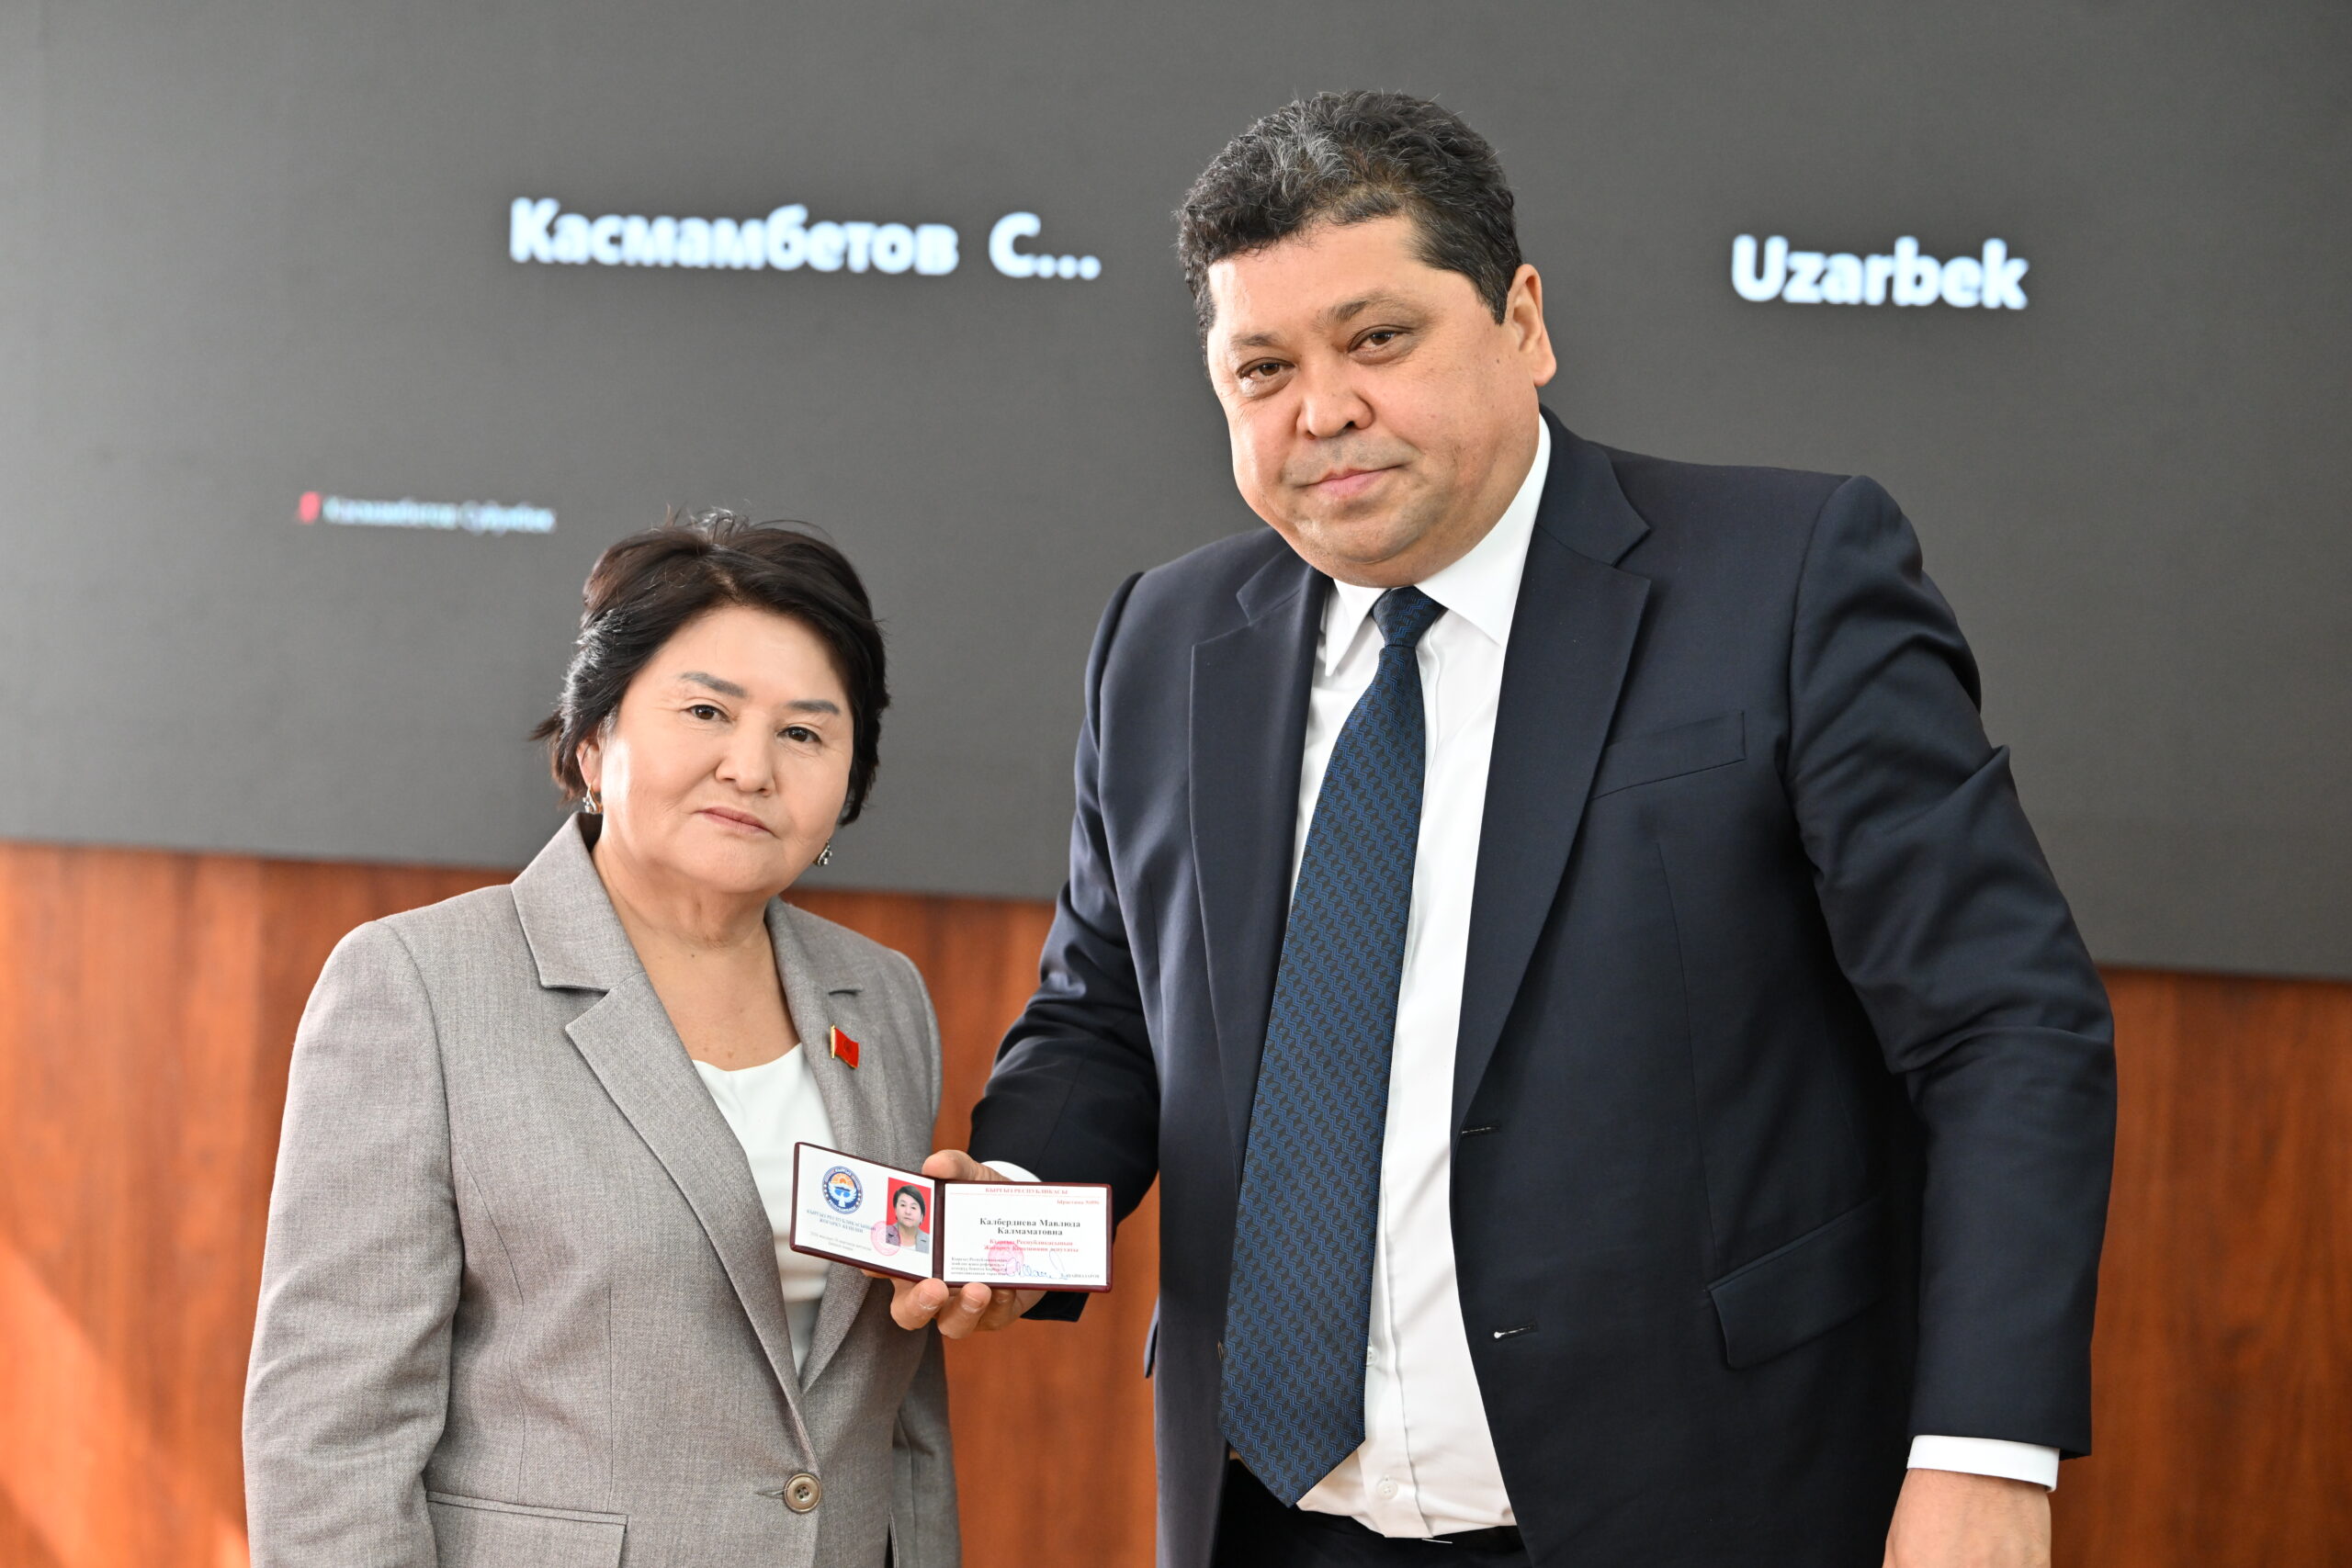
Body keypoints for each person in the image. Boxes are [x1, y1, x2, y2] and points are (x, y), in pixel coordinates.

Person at [896, 92, 2116, 1568]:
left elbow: (2002, 1024)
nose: (1321, 410)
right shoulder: (1162, 639)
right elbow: (1107, 1013)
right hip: (1274, 1517)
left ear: (1522, 321)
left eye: (1378, 339)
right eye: (1264, 368)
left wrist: (1985, 1449)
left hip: (1704, 1503)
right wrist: (1013, 1200)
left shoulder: (1786, 580)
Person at [245, 511, 959, 1568]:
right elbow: (329, 1435)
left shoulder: (882, 998)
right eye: (706, 711)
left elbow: (901, 1415)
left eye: (805, 734)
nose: (751, 767)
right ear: (593, 740)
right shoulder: (419, 985)